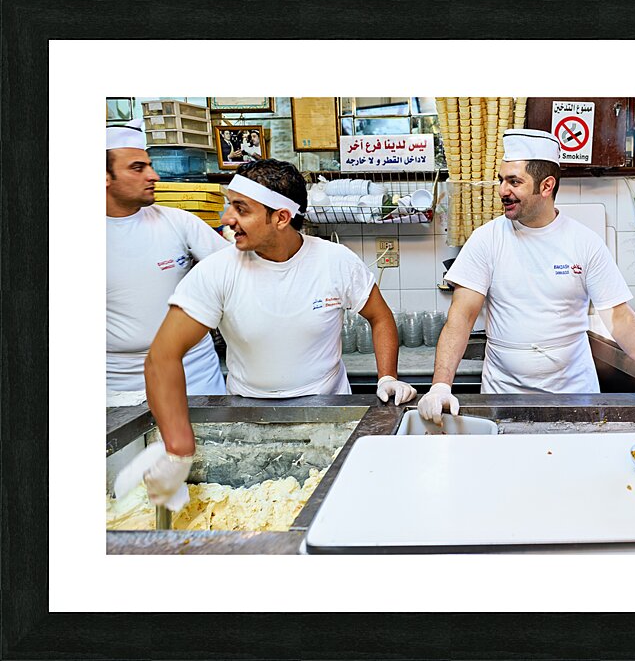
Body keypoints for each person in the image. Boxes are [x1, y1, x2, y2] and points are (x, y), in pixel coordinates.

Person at [140, 159, 416, 509]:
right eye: (229, 205)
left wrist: (387, 376)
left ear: (281, 217)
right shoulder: (216, 272)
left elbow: (380, 317)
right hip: (248, 421)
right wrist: (177, 448)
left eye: (241, 209)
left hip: (330, 415)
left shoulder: (335, 261)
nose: (227, 218)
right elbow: (162, 357)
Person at [417, 129, 635, 426]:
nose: (503, 190)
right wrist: (440, 385)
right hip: (504, 396)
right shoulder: (485, 240)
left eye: (514, 182)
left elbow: (620, 318)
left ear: (546, 186)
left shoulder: (584, 242)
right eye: (502, 180)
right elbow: (461, 318)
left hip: (574, 395)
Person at [106, 119, 227, 398]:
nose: (154, 176)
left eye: (149, 165)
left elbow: (236, 270)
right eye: (138, 168)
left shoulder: (178, 222)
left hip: (194, 373)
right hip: (118, 382)